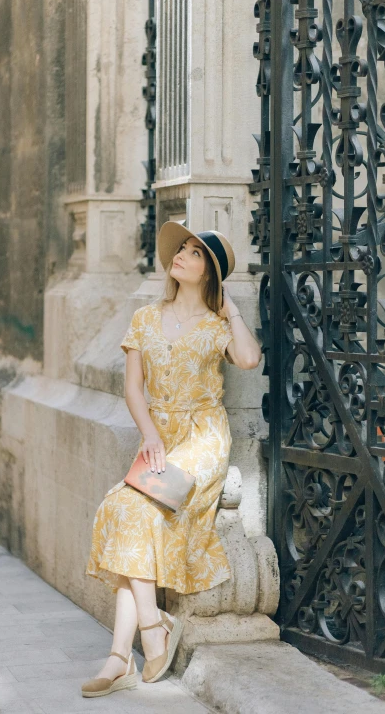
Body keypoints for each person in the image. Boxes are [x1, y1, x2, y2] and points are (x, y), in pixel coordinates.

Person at [81, 222, 262, 698]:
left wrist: (234, 311)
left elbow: (247, 359)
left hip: (202, 439)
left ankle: (129, 649)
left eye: (195, 253)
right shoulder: (145, 317)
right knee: (124, 509)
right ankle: (141, 635)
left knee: (135, 510)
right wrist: (150, 435)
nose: (182, 254)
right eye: (181, 248)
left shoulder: (217, 326)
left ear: (210, 273)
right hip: (159, 436)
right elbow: (132, 388)